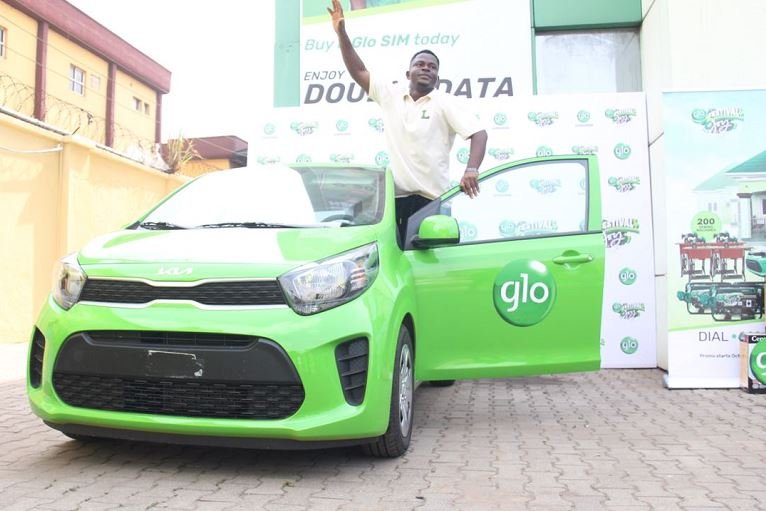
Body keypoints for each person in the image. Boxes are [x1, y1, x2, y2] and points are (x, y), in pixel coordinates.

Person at [327, 0, 488, 243]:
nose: (427, 69)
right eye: (420, 65)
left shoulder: (444, 102)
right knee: (396, 260)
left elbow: (479, 134)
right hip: (396, 200)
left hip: (432, 200)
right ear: (408, 73)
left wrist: (471, 170)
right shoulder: (391, 95)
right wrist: (342, 33)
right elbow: (359, 71)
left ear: (437, 77)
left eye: (432, 67)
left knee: (429, 266)